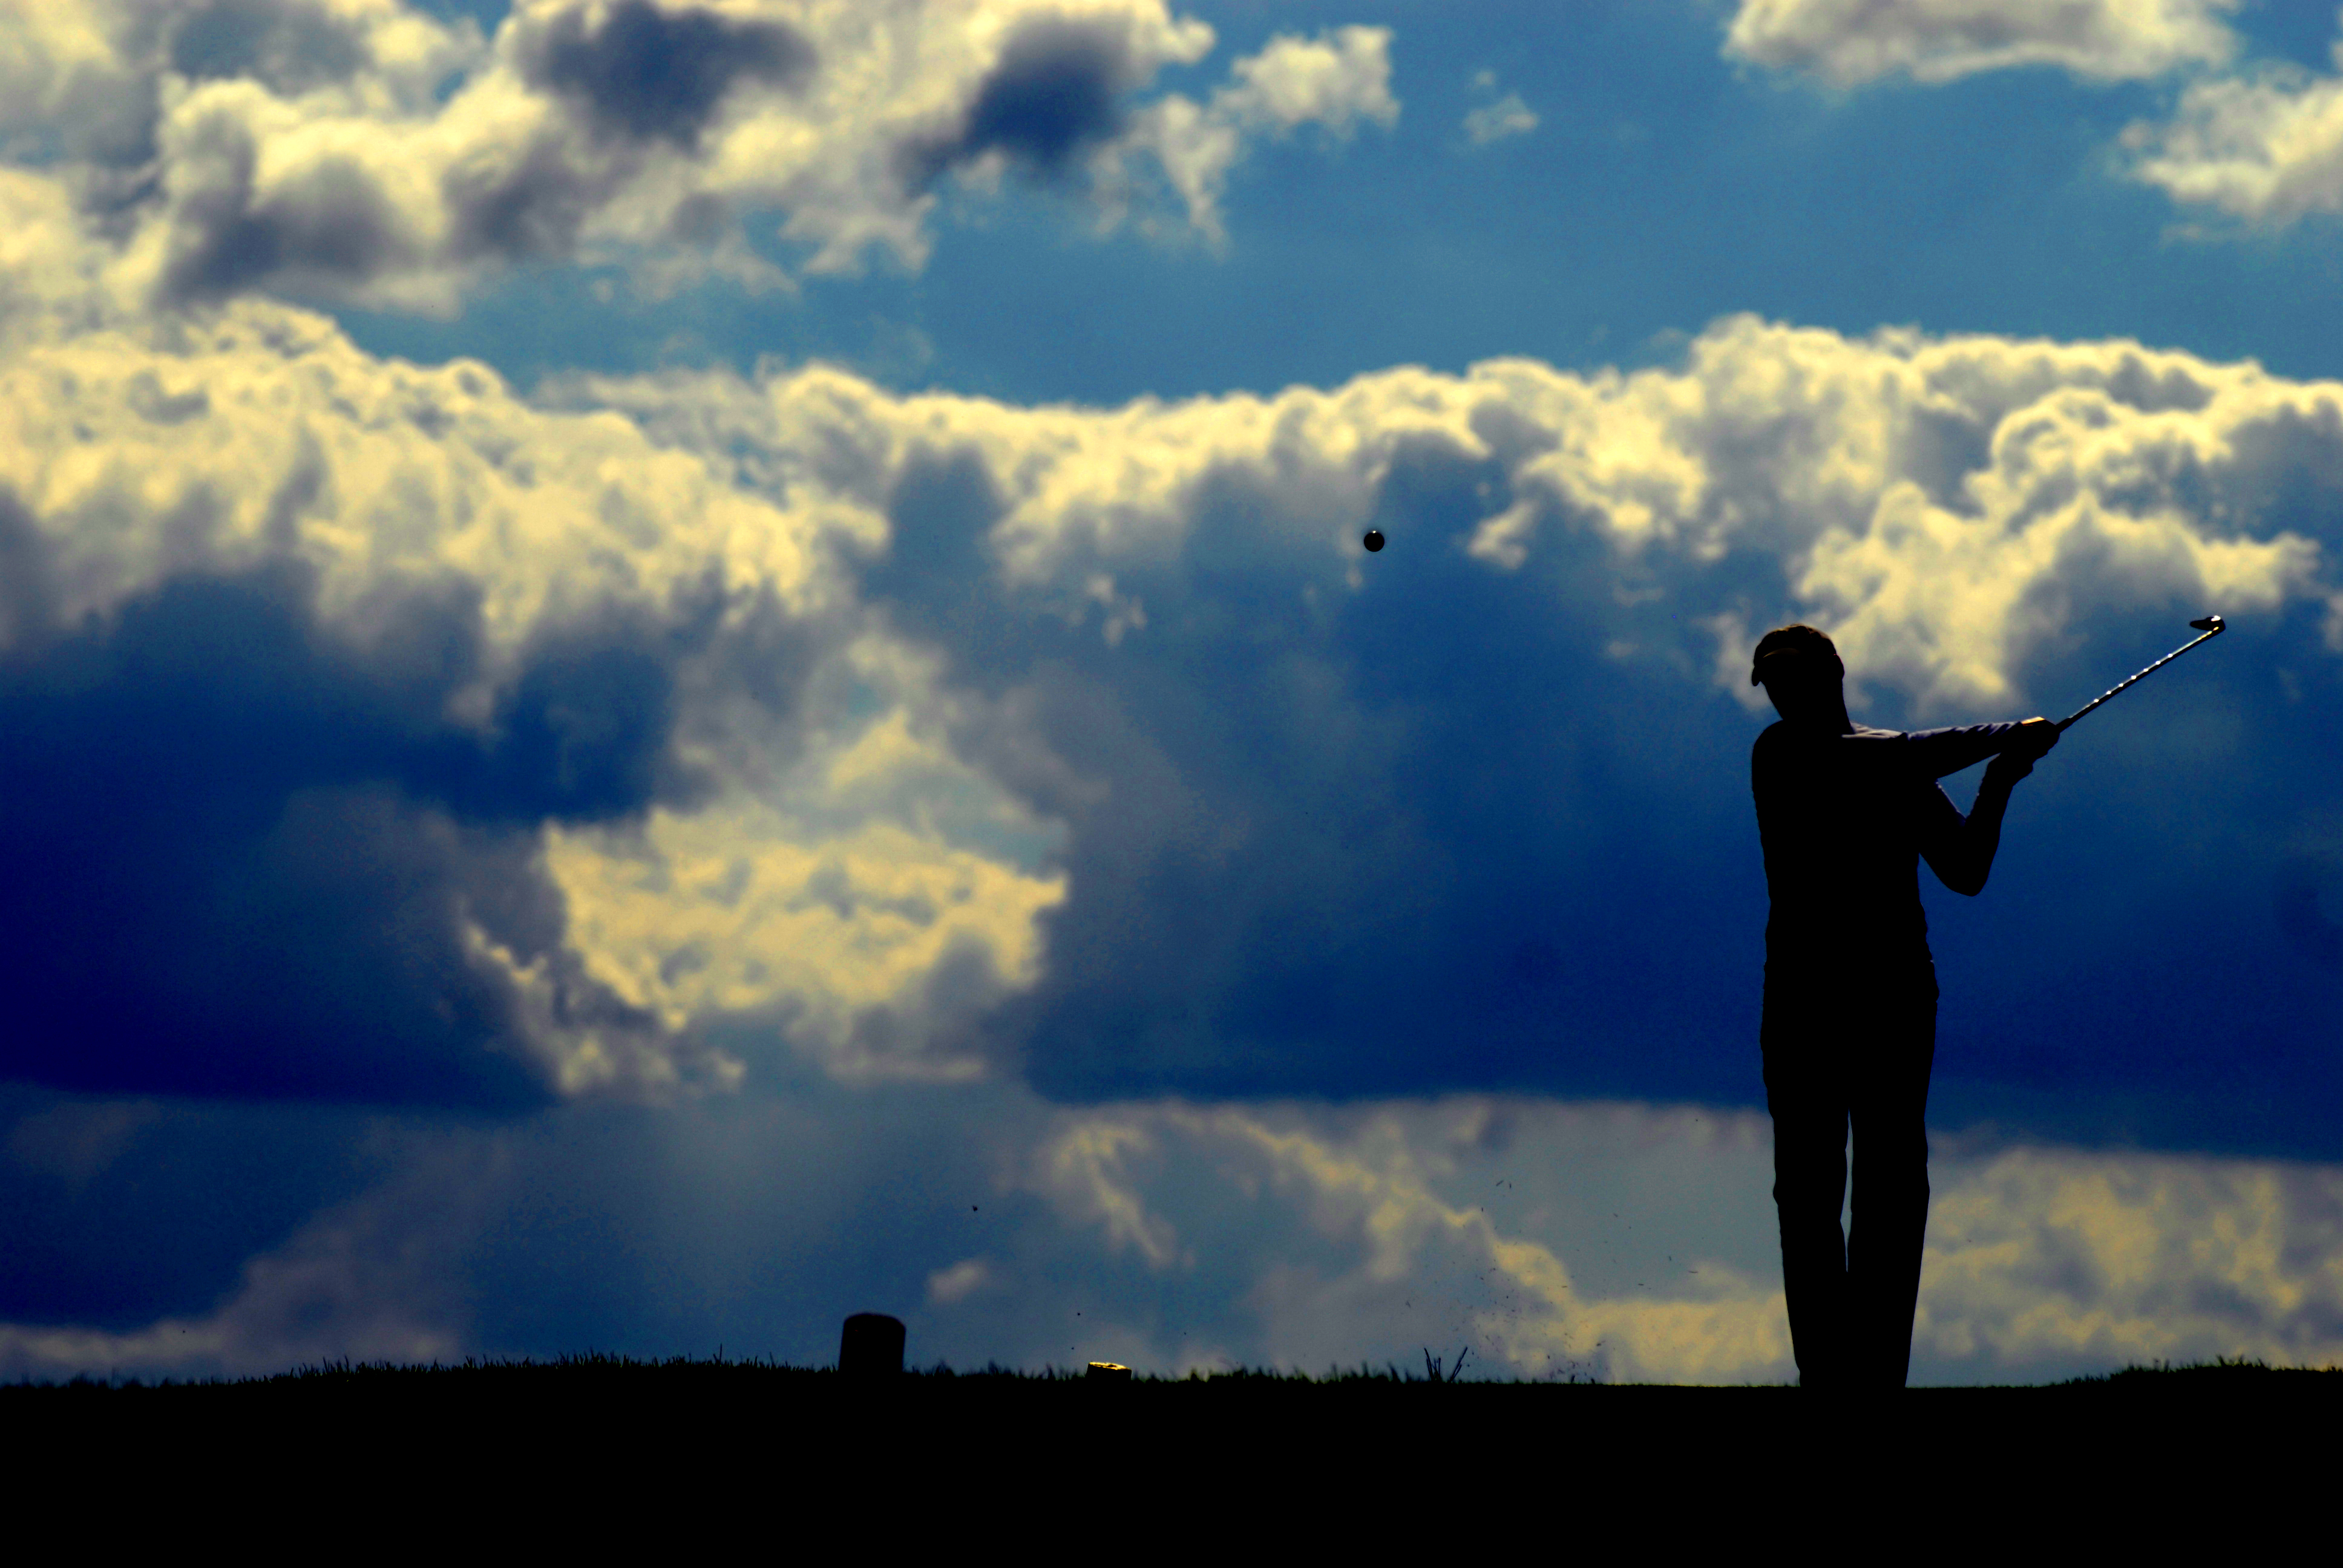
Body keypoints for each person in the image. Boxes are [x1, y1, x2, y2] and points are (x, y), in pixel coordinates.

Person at [1749, 624, 2058, 1390]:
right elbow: (1890, 758)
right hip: (1803, 1002)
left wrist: (1998, 782)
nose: (1783, 693)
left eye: (1793, 676)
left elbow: (1963, 869)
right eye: (1772, 682)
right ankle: (1826, 1376)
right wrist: (2002, 735)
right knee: (1807, 1191)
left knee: (1890, 1186)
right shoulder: (1781, 754)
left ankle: (1876, 1378)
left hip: (1893, 996)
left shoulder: (1897, 761)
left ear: (1833, 672)